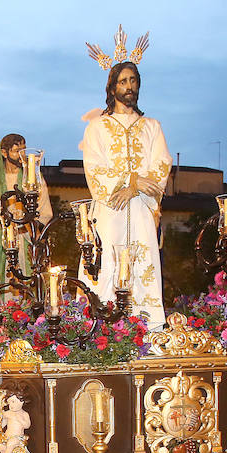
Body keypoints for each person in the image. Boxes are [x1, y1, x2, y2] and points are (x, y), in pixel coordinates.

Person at [78, 51, 170, 325]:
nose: (129, 87)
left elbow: (162, 165)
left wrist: (137, 187)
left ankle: (148, 328)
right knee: (105, 263)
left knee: (144, 265)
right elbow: (94, 167)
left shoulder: (152, 127)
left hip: (141, 210)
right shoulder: (98, 127)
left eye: (133, 80)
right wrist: (131, 181)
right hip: (110, 209)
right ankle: (99, 330)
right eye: (122, 81)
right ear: (112, 87)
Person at [0, 132, 53, 283]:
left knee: (27, 285)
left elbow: (45, 212)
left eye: (24, 150)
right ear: (4, 153)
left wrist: (31, 229)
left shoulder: (32, 179)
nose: (21, 155)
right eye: (17, 151)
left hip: (25, 241)